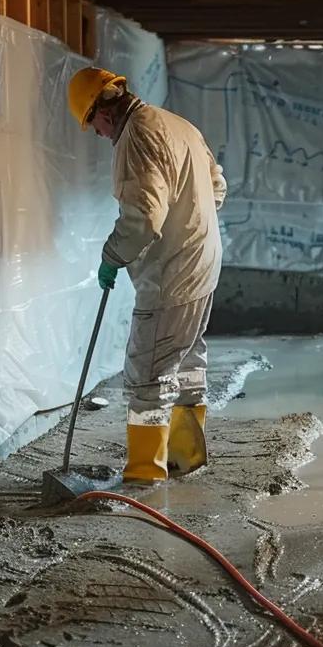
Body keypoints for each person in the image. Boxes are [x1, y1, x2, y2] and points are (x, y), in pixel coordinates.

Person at [67, 67, 226, 484]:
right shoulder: (176, 124)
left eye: (92, 125)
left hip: (171, 275)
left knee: (147, 373)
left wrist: (111, 255)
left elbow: (143, 219)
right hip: (203, 263)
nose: (98, 135)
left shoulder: (137, 135)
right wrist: (191, 224)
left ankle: (144, 473)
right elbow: (218, 186)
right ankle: (185, 455)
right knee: (187, 359)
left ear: (102, 109)